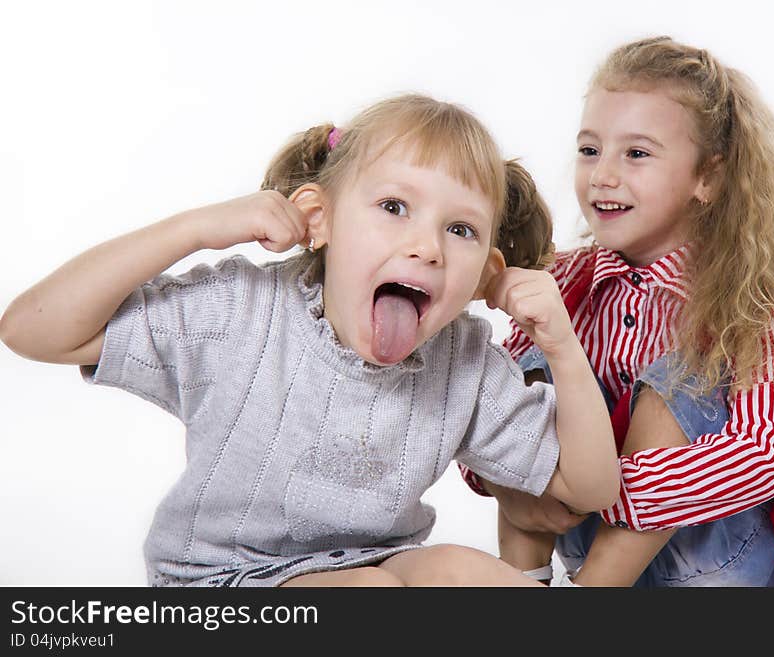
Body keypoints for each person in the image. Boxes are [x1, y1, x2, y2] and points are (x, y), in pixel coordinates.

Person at [0, 94, 619, 587]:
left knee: (462, 569)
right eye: (394, 206)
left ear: (487, 269)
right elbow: (32, 330)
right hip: (222, 583)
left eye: (460, 229)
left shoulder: (463, 359)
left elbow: (589, 487)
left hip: (376, 567)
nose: (427, 248)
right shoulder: (243, 310)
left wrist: (562, 348)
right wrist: (194, 229)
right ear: (319, 219)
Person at [459, 36, 774, 587]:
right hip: (580, 525)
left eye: (636, 153)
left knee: (680, 382)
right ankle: (522, 585)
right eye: (591, 150)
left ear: (706, 177)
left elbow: (764, 454)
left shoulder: (747, 299)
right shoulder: (567, 281)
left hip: (715, 561)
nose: (603, 175)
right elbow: (484, 404)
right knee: (528, 373)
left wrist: (603, 485)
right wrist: (510, 481)